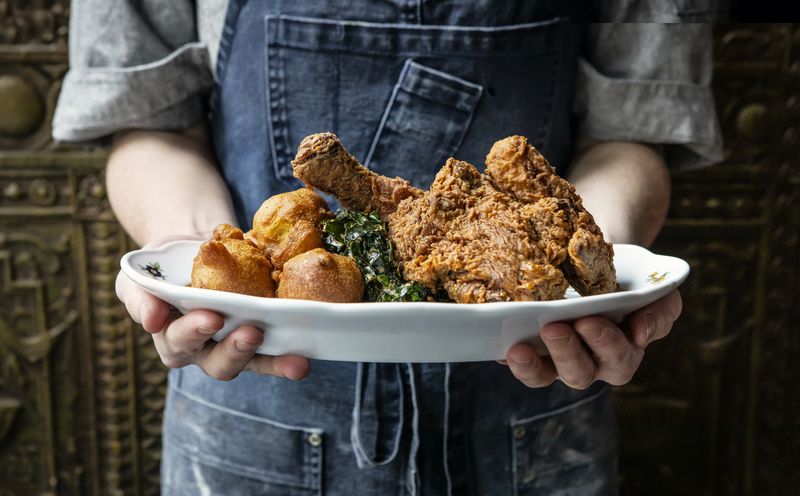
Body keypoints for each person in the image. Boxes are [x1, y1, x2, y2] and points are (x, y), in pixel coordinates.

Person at [53, 1, 723, 494]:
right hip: (256, 402)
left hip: (536, 405)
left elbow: (633, 130)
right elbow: (145, 119)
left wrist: (600, 273)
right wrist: (188, 260)